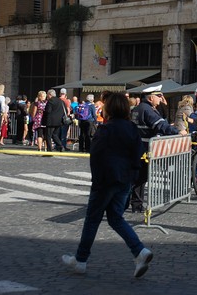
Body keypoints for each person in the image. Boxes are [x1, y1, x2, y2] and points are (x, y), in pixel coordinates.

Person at [61, 92, 153, 278]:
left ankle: (81, 260)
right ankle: (139, 251)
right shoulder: (132, 128)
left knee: (93, 218)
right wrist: (132, 175)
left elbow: (97, 156)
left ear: (109, 108)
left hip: (106, 179)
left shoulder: (105, 129)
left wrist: (97, 180)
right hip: (125, 179)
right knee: (115, 218)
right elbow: (139, 153)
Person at [130, 88, 183, 212]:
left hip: (139, 146)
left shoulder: (139, 108)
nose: (160, 98)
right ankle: (178, 190)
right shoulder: (147, 109)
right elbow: (160, 124)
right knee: (143, 176)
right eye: (158, 96)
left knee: (140, 177)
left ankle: (135, 204)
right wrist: (177, 131)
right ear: (150, 98)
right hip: (147, 147)